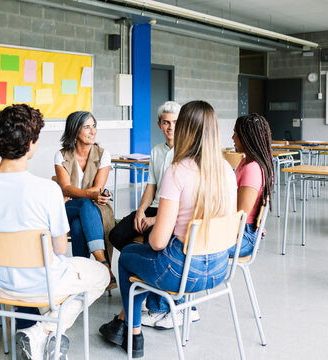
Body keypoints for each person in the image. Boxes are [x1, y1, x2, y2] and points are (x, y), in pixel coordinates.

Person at [0, 104, 109, 360]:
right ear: (31, 144)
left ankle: (41, 332)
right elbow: (59, 249)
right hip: (45, 286)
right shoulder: (47, 191)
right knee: (101, 274)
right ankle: (45, 330)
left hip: (1, 287)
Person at [99, 100, 238, 358]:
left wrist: (158, 225)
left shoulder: (178, 171)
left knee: (129, 255)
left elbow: (158, 242)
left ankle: (134, 333)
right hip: (219, 270)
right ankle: (129, 319)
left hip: (183, 272)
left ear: (184, 128)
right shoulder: (227, 172)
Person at [109, 101, 199, 329]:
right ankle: (148, 282)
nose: (171, 127)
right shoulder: (157, 151)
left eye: (176, 122)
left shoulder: (188, 154)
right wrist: (140, 211)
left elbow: (184, 203)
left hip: (175, 211)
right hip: (154, 207)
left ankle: (176, 301)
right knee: (118, 234)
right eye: (166, 122)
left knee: (154, 242)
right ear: (159, 125)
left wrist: (155, 220)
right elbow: (151, 186)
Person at [54, 111, 116, 290]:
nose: (93, 131)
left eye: (94, 126)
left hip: (93, 208)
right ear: (74, 131)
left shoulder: (103, 154)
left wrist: (78, 193)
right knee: (84, 203)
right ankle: (103, 264)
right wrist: (87, 195)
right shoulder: (61, 155)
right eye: (87, 126)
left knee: (78, 226)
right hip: (68, 207)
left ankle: (84, 277)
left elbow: (98, 188)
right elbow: (65, 188)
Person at [231, 113, 274, 257]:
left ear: (246, 139)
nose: (232, 138)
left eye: (235, 134)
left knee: (194, 243)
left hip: (244, 236)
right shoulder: (245, 162)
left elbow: (240, 215)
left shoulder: (253, 169)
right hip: (240, 230)